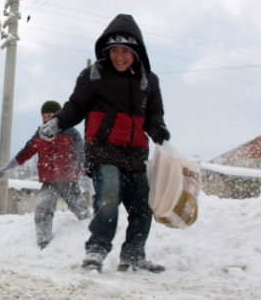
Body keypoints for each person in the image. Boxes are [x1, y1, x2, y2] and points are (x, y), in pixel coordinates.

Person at [38, 14, 170, 273]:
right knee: (108, 196)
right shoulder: (94, 75)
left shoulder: (148, 80)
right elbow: (75, 106)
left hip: (135, 154)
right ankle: (96, 250)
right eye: (114, 50)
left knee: (143, 206)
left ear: (137, 52)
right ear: (107, 50)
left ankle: (133, 255)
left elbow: (153, 114)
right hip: (103, 151)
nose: (119, 56)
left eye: (126, 51)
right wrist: (58, 122)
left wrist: (159, 130)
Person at [0, 100, 91, 249]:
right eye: (44, 116)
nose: (47, 119)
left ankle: (87, 238)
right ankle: (43, 244)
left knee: (82, 213)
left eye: (51, 115)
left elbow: (82, 153)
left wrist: (83, 173)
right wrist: (6, 168)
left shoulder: (71, 132)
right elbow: (25, 153)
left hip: (69, 182)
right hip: (50, 182)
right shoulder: (40, 135)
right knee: (42, 210)